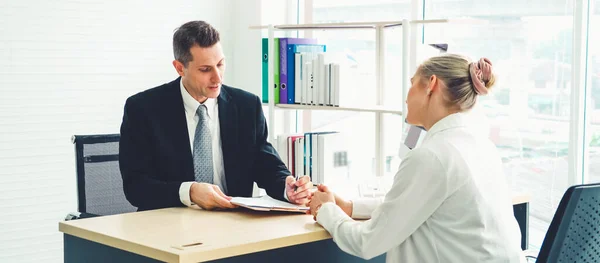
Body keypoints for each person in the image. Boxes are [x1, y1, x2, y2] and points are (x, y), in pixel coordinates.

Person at [308, 54, 525, 262]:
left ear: (431, 84)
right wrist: (349, 207)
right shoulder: (480, 144)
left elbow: (367, 242)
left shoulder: (432, 156)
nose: (406, 96)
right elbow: (411, 206)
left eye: (412, 83)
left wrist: (326, 210)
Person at [119, 20, 312, 211]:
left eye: (220, 64)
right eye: (205, 69)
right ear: (179, 68)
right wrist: (190, 191)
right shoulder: (143, 109)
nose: (217, 78)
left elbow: (265, 164)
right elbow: (136, 187)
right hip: (169, 225)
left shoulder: (246, 106)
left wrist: (287, 188)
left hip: (233, 224)